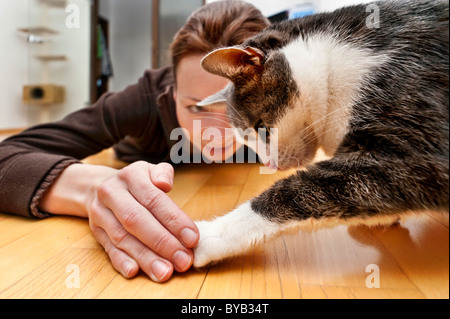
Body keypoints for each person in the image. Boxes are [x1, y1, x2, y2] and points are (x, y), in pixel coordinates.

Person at [0, 1, 270, 283]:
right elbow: (6, 155)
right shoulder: (144, 99)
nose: (217, 131)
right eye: (197, 108)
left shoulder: (294, 113)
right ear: (174, 90)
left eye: (238, 106)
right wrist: (92, 188)